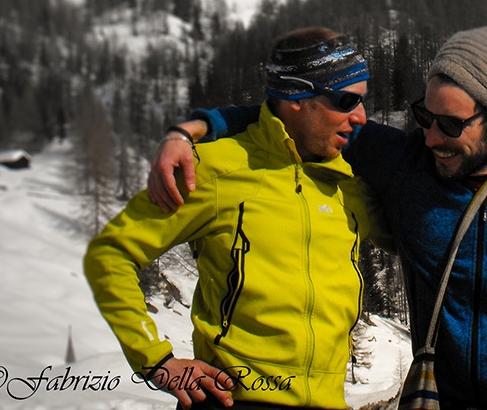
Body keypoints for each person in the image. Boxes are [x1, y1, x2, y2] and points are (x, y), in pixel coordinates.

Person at [150, 25, 487, 410]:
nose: (431, 137)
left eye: (449, 124)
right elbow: (288, 112)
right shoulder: (404, 163)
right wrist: (185, 133)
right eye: (425, 115)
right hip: (440, 399)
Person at [84, 28, 393, 410]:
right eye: (347, 101)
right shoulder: (215, 170)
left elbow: (415, 243)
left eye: (364, 100)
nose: (361, 117)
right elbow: (110, 255)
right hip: (234, 400)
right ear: (297, 97)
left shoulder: (347, 181)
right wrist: (158, 362)